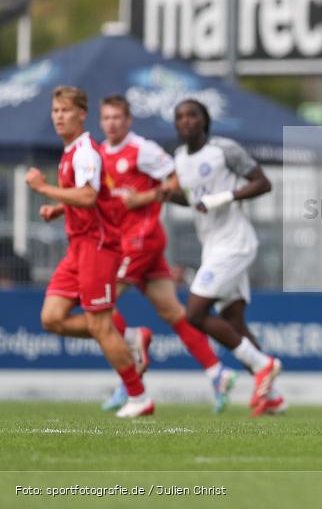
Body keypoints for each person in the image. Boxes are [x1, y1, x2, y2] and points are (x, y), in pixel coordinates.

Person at [97, 94, 237, 413]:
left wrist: (144, 197)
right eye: (106, 118)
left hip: (142, 239)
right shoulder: (101, 153)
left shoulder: (142, 149)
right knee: (173, 312)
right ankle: (217, 373)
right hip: (124, 242)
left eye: (117, 117)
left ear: (128, 120)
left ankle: (131, 364)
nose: (112, 123)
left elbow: (175, 180)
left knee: (99, 302)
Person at [26, 85, 153, 418]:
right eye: (55, 111)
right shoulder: (71, 151)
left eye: (66, 111)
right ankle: (130, 337)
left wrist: (43, 188)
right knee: (51, 318)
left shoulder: (85, 151)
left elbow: (88, 196)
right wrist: (59, 209)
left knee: (99, 326)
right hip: (78, 247)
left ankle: (139, 397)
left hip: (97, 246)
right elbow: (89, 198)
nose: (59, 117)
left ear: (82, 114)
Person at [162, 99, 283, 417]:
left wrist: (225, 197)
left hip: (234, 243)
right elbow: (196, 200)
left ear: (204, 120)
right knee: (234, 322)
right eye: (180, 117)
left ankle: (263, 365)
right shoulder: (179, 158)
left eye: (192, 115)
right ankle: (271, 396)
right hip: (212, 245)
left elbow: (263, 183)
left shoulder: (224, 150)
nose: (185, 121)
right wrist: (171, 196)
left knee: (194, 313)